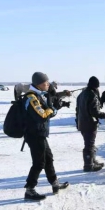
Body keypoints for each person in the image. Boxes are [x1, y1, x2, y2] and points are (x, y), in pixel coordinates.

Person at [23, 72, 69, 200]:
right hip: (34, 134)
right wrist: (52, 109)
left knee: (48, 158)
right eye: (45, 83)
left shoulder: (39, 95)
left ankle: (55, 183)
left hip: (40, 133)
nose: (48, 84)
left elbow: (46, 113)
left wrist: (54, 108)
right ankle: (29, 189)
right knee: (39, 162)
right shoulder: (32, 98)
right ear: (38, 84)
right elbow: (42, 115)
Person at [76, 76, 105, 172]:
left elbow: (77, 110)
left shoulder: (81, 94)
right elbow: (94, 112)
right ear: (96, 86)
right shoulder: (92, 95)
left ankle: (92, 161)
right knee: (89, 145)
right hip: (89, 123)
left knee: (90, 144)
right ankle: (88, 165)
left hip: (82, 122)